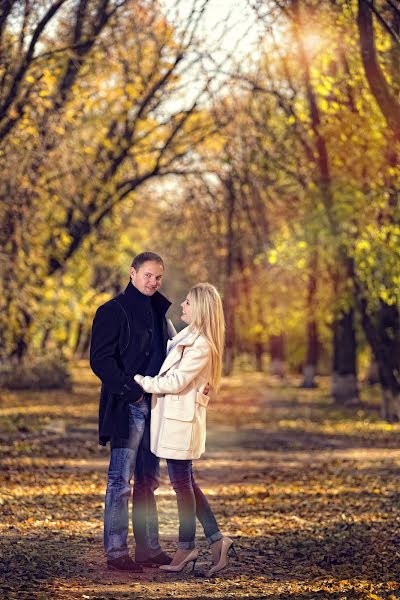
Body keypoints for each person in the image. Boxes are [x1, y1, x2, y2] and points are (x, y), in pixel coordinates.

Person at [134, 282, 237, 576]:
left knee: (182, 485)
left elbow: (175, 381)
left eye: (188, 302)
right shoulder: (188, 336)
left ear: (201, 308)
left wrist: (140, 381)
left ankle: (186, 546)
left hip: (182, 424)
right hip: (174, 421)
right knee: (187, 483)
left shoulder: (202, 344)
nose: (182, 306)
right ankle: (218, 540)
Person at [90, 251, 174, 572]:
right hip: (127, 406)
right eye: (148, 275)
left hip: (156, 404)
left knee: (148, 480)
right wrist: (132, 391)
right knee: (120, 480)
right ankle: (116, 551)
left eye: (158, 277)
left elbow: (171, 353)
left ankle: (148, 548)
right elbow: (101, 360)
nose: (153, 282)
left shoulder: (158, 311)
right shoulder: (112, 311)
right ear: (133, 273)